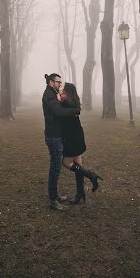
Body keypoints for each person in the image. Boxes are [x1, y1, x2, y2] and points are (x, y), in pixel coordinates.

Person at [42, 73, 81, 211]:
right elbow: (58, 112)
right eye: (58, 82)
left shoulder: (53, 94)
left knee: (57, 167)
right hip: (53, 137)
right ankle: (53, 200)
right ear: (51, 82)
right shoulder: (49, 95)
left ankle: (55, 195)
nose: (60, 84)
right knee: (55, 168)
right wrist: (75, 111)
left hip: (57, 135)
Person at [59, 82, 102, 205]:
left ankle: (91, 175)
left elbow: (58, 112)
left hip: (71, 137)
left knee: (66, 162)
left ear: (67, 92)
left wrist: (59, 99)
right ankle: (80, 193)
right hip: (77, 134)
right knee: (77, 163)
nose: (60, 90)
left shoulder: (64, 103)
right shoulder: (74, 102)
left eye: (62, 89)